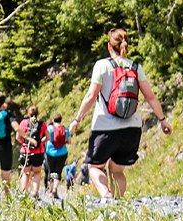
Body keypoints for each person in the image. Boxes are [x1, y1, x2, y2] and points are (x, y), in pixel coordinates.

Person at [70, 28, 171, 199]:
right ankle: (118, 205)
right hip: (131, 130)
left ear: (110, 47)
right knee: (117, 171)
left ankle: (106, 196)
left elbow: (91, 95)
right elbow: (150, 96)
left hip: (105, 128)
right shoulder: (136, 67)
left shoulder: (102, 65)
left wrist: (77, 120)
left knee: (95, 167)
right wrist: (162, 120)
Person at [17, 104, 47, 196]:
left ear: (28, 113)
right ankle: (35, 192)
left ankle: (24, 192)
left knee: (26, 173)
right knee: (37, 172)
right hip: (38, 152)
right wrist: (41, 142)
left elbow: (18, 137)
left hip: (25, 151)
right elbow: (48, 137)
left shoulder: (23, 123)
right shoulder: (42, 124)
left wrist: (24, 144)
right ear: (37, 113)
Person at [42, 113, 71, 198]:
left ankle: (50, 190)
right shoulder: (65, 129)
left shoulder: (50, 128)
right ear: (61, 120)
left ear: (53, 120)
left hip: (50, 153)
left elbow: (46, 138)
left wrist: (40, 142)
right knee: (58, 171)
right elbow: (69, 142)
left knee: (51, 171)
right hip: (62, 153)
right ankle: (55, 189)